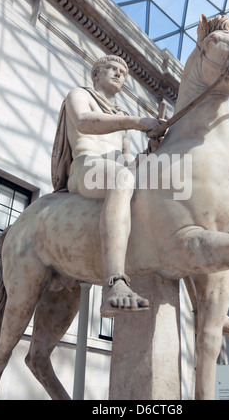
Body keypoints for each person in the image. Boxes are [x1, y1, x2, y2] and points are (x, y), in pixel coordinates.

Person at [51, 55, 165, 317]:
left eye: (123, 73)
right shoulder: (79, 95)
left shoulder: (121, 116)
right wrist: (136, 122)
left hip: (114, 171)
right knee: (122, 178)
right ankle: (114, 283)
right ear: (96, 74)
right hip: (85, 169)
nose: (118, 75)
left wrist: (152, 150)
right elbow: (83, 122)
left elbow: (127, 161)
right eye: (112, 69)